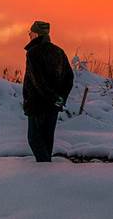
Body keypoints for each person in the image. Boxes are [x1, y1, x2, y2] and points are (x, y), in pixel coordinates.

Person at [22, 20, 74, 162]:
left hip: (38, 104)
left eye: (30, 32)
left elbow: (37, 81)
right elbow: (69, 78)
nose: (29, 35)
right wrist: (60, 98)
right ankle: (47, 171)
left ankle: (45, 171)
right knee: (47, 140)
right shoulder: (59, 51)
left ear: (36, 34)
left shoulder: (33, 53)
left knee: (34, 139)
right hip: (53, 106)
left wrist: (52, 97)